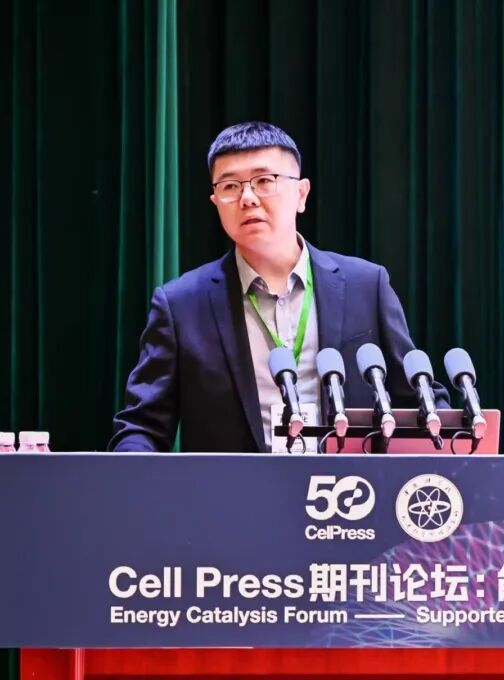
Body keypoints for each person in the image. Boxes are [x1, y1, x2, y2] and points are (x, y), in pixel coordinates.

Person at [109, 121, 448, 452]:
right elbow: (144, 425)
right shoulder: (181, 304)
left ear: (301, 194)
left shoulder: (366, 286)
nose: (247, 198)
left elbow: (418, 399)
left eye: (264, 181)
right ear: (215, 202)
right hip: (234, 489)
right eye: (230, 186)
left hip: (348, 486)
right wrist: (131, 467)